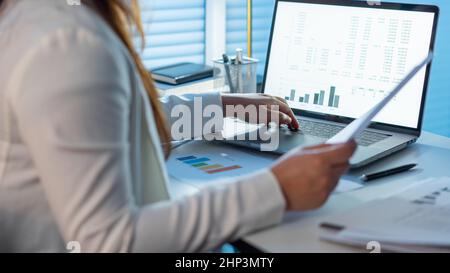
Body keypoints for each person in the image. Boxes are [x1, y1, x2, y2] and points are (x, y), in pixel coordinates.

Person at [0, 0, 356, 252]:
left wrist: (222, 106)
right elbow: (112, 243)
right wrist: (276, 189)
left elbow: (108, 124)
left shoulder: (39, 19)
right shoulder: (67, 43)